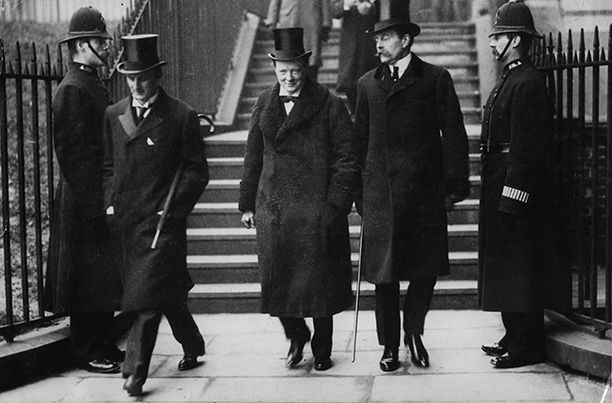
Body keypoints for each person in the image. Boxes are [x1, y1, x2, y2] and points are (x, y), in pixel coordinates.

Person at [239, 27, 359, 372]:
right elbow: (253, 156)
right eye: (282, 71)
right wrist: (247, 203)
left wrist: (334, 205)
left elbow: (347, 159)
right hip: (274, 208)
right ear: (274, 69)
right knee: (277, 282)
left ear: (305, 67)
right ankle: (296, 335)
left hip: (316, 209)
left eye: (295, 70)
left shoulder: (330, 105)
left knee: (322, 286)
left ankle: (322, 347)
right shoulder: (264, 103)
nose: (289, 78)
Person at [355, 18, 470, 372]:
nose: (378, 45)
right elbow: (357, 143)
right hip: (382, 196)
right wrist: (359, 193)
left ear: (405, 40)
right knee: (384, 276)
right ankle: (389, 345)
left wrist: (452, 187)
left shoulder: (435, 79)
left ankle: (413, 333)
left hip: (423, 195)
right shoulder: (366, 85)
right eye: (376, 39)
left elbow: (453, 135)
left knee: (424, 271)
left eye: (385, 39)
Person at [102, 34, 209, 396]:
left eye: (144, 76)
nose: (137, 84)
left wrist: (174, 207)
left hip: (163, 222)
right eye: (131, 78)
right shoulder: (113, 115)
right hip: (127, 223)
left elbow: (197, 170)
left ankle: (135, 373)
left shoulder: (180, 116)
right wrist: (109, 202)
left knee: (147, 301)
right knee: (166, 293)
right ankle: (192, 342)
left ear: (158, 75)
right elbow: (106, 166)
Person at [44, 6, 123, 374]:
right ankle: (88, 348)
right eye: (100, 42)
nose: (106, 48)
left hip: (97, 197)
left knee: (102, 276)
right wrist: (98, 205)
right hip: (84, 200)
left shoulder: (89, 83)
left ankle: (104, 342)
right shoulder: (72, 89)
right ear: (80, 46)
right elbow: (73, 157)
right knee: (87, 280)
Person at [478, 0, 551, 369]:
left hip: (512, 189)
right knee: (505, 268)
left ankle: (526, 345)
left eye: (499, 36)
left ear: (516, 40)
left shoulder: (527, 81)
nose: (492, 43)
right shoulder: (510, 77)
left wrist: (512, 195)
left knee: (519, 269)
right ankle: (513, 335)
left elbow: (525, 148)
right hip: (498, 183)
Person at [331, 0, 379, 114]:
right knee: (350, 77)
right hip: (351, 37)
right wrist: (347, 3)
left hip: (371, 35)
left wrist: (370, 6)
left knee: (371, 75)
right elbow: (334, 11)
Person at [265, 0, 332, 80]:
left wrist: (326, 22)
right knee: (286, 63)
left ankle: (309, 91)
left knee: (310, 62)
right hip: (288, 19)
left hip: (311, 21)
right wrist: (272, 21)